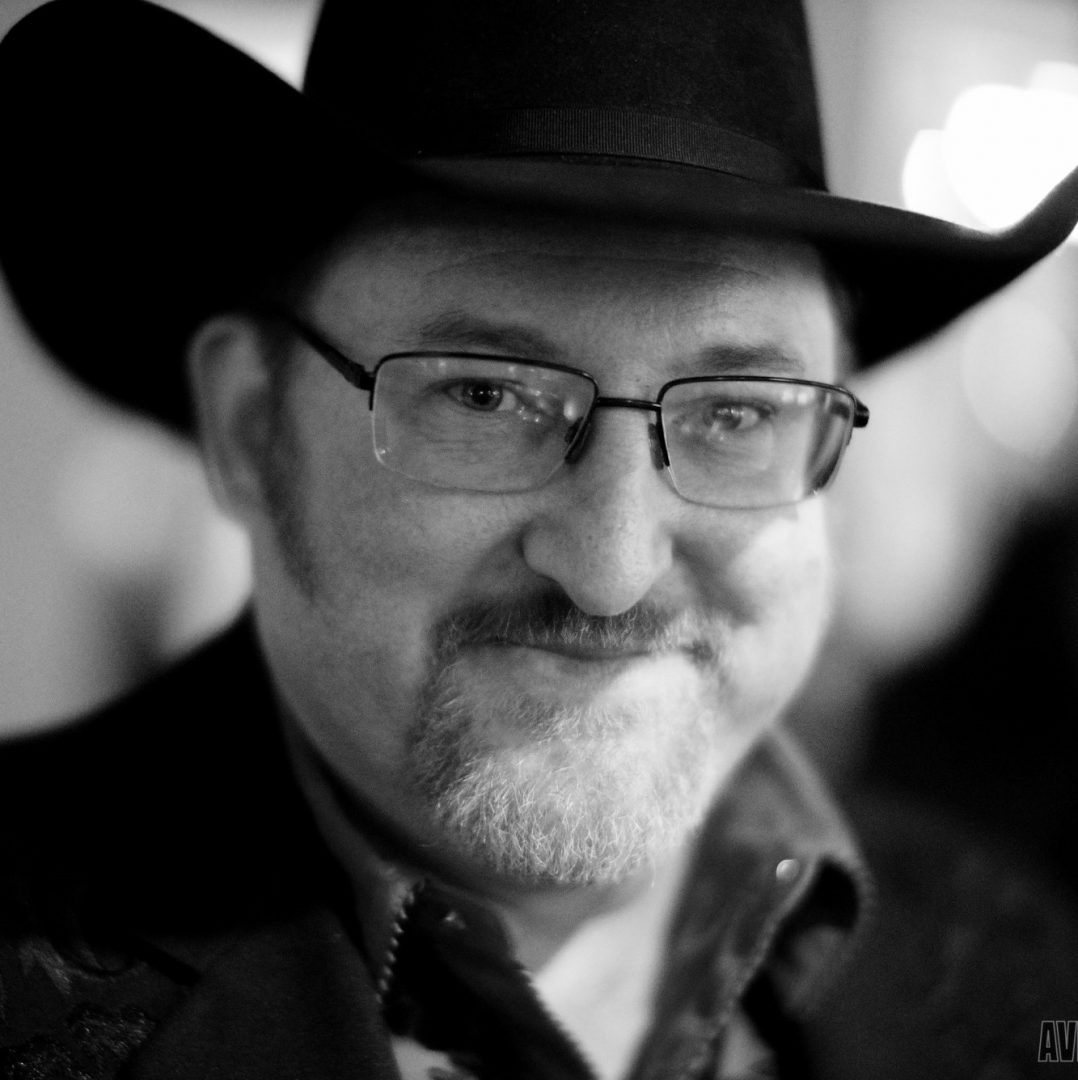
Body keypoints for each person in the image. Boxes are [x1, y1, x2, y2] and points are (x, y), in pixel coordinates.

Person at [1, 1, 1077, 1078]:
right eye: (483, 397)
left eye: (736, 413)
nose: (612, 569)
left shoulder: (1018, 965)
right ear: (251, 425)